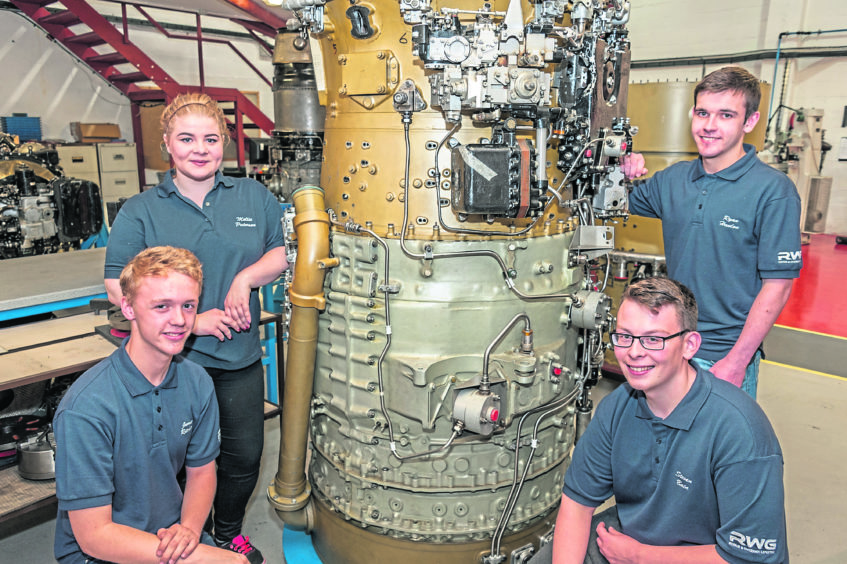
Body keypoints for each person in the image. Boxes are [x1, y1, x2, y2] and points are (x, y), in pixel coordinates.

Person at [104, 93, 288, 563]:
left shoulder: (252, 196)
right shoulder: (142, 210)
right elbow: (117, 283)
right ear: (168, 144)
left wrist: (246, 280)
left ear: (224, 144)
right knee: (177, 463)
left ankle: (225, 533)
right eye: (186, 138)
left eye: (210, 139)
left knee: (244, 457)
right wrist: (190, 323)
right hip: (171, 367)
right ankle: (187, 537)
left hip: (238, 358)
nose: (199, 149)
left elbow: (284, 250)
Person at [550, 277, 786, 563]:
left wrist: (639, 555)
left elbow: (749, 558)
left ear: (689, 345)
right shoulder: (617, 407)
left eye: (653, 339)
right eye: (625, 336)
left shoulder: (740, 431)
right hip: (638, 537)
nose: (635, 352)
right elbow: (577, 503)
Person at [54, 246, 248, 564]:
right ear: (128, 308)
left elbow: (201, 472)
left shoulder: (197, 381)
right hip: (100, 553)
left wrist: (188, 530)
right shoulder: (86, 408)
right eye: (162, 306)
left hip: (171, 533)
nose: (179, 320)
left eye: (189, 305)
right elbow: (94, 536)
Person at [621, 66, 802, 398]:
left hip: (724, 356)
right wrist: (623, 169)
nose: (709, 126)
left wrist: (737, 361)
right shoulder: (673, 180)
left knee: (719, 449)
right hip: (672, 348)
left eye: (726, 115)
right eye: (702, 112)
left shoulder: (774, 191)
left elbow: (778, 287)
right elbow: (616, 199)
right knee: (668, 443)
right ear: (692, 113)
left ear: (749, 122)